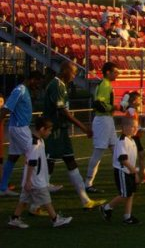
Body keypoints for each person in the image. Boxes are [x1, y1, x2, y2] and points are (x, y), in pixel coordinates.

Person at [43, 61, 104, 209]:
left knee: (71, 162)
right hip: (54, 131)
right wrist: (83, 127)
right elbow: (63, 112)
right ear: (64, 70)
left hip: (61, 131)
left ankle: (85, 200)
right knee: (48, 165)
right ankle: (35, 203)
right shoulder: (56, 85)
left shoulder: (62, 86)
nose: (74, 76)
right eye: (73, 72)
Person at [7, 116, 72, 229]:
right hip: (35, 180)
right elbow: (32, 162)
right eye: (49, 130)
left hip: (33, 179)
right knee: (46, 200)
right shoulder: (34, 143)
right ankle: (55, 219)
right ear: (42, 129)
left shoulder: (38, 141)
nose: (50, 132)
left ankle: (15, 219)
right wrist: (28, 181)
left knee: (24, 200)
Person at [0, 71, 44, 197]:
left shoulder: (25, 90)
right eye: (37, 82)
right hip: (20, 129)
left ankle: (3, 188)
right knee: (35, 152)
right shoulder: (20, 90)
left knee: (13, 158)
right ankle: (35, 185)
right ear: (32, 79)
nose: (38, 86)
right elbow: (6, 109)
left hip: (18, 128)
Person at [85, 62, 119, 193]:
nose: (117, 74)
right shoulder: (105, 84)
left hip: (107, 120)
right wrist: (113, 107)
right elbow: (99, 104)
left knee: (116, 150)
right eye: (115, 72)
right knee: (99, 152)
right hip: (102, 120)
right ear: (108, 72)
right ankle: (88, 183)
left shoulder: (106, 84)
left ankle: (125, 176)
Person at [99, 118, 141, 225]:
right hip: (122, 171)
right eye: (133, 127)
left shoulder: (131, 139)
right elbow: (123, 160)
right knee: (125, 194)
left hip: (129, 171)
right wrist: (135, 173)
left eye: (136, 126)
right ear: (124, 128)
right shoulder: (122, 141)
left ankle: (127, 216)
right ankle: (107, 208)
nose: (135, 129)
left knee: (130, 194)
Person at [121, 91, 145, 182]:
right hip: (131, 136)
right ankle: (135, 176)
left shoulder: (132, 110)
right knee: (134, 156)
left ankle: (143, 175)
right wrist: (143, 129)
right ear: (133, 101)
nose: (141, 100)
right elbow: (132, 124)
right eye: (139, 99)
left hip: (134, 135)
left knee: (141, 155)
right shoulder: (131, 111)